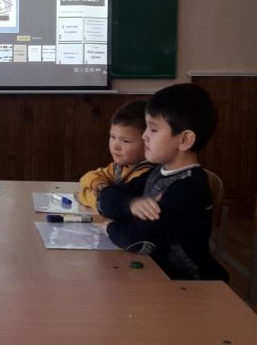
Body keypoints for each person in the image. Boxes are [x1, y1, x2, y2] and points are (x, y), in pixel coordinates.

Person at [98, 83, 229, 281]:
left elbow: (139, 241)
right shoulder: (158, 171)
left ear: (184, 140)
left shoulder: (189, 189)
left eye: (153, 129)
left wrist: (110, 226)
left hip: (188, 284)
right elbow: (105, 198)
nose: (144, 136)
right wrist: (130, 204)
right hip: (156, 273)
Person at [78, 100, 153, 209]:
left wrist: (84, 195)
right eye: (112, 137)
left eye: (125, 141)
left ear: (148, 142)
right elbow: (87, 177)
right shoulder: (119, 167)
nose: (115, 146)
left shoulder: (144, 175)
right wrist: (98, 183)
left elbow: (113, 204)